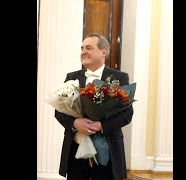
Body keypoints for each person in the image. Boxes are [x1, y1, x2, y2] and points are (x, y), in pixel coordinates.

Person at [55, 33, 134, 180]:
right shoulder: (71, 77)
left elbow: (126, 113)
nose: (83, 51)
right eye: (82, 48)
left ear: (103, 52)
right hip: (76, 149)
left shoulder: (119, 77)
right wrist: (75, 123)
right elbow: (59, 111)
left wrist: (100, 125)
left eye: (88, 48)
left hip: (108, 149)